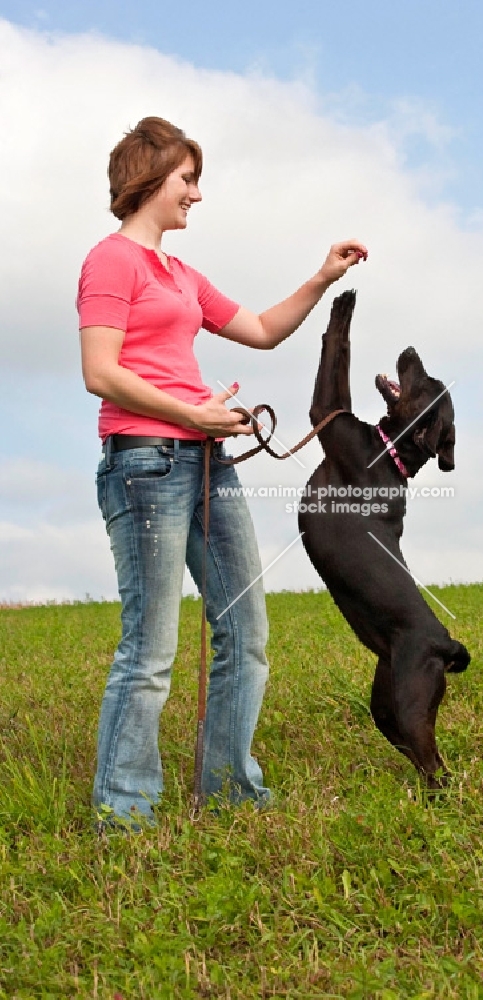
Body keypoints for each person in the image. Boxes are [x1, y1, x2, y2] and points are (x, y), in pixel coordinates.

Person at [78, 116, 367, 826]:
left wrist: (321, 278)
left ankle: (231, 793)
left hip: (207, 461)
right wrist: (190, 413)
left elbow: (262, 330)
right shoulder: (110, 262)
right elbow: (99, 372)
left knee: (247, 634)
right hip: (144, 464)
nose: (197, 195)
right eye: (187, 179)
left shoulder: (180, 275)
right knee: (150, 649)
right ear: (150, 179)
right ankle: (125, 813)